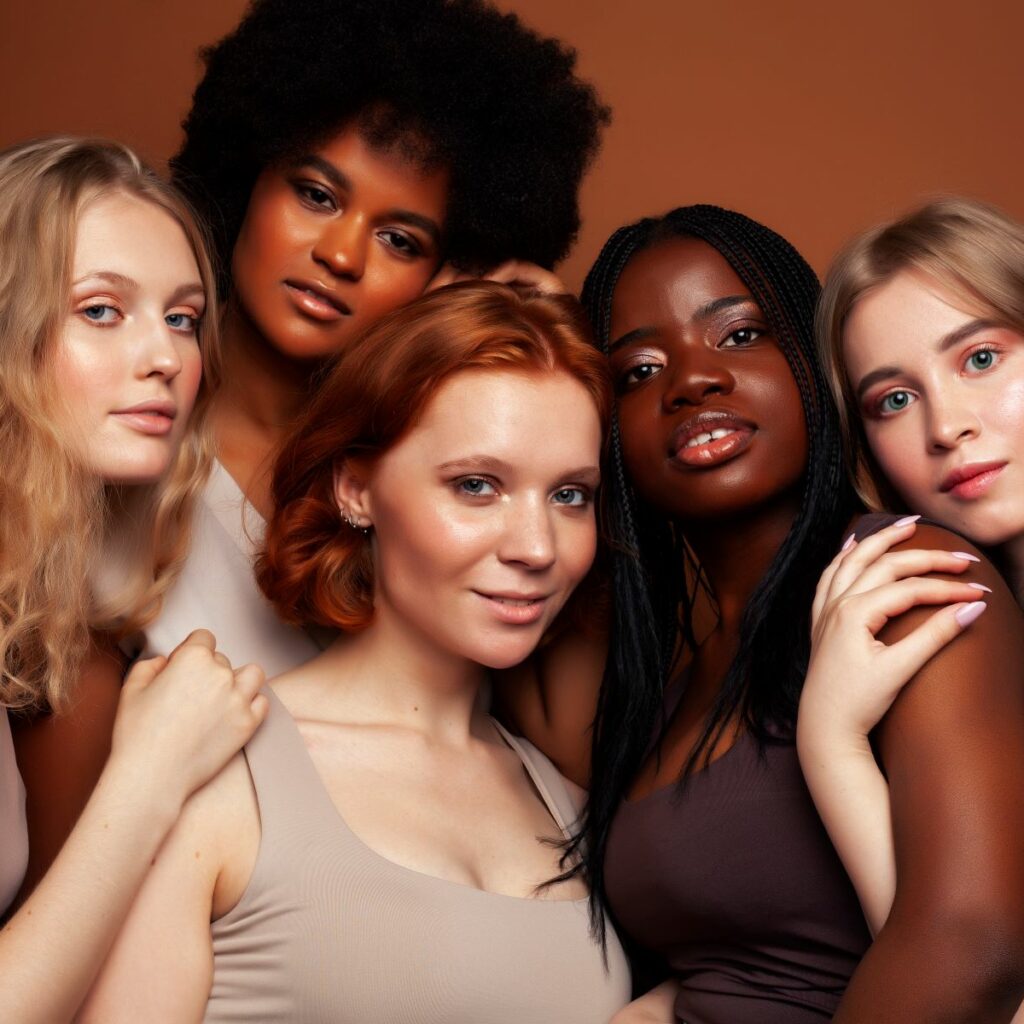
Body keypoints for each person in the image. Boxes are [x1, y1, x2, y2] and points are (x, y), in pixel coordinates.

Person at [17, 0, 608, 881]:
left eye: (400, 238)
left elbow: (567, 762)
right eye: (317, 194)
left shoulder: (435, 486)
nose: (341, 252)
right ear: (245, 180)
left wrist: (523, 321)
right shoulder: (106, 446)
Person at [498, 204, 1014, 1023]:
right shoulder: (666, 684)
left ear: (816, 367)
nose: (691, 379)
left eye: (738, 335)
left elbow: (970, 944)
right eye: (637, 371)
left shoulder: (901, 581)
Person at [77, 282, 632, 1022]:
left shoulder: (570, 803)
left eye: (570, 496)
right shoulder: (215, 767)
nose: (536, 547)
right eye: (476, 486)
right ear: (356, 488)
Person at [0, 136, 266, 1024]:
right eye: (103, 310)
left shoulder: (60, 638)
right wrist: (150, 775)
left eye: (183, 318)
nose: (165, 358)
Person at [794, 197, 1024, 1022]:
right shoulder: (969, 626)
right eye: (893, 399)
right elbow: (947, 970)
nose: (947, 426)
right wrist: (831, 740)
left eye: (981, 358)